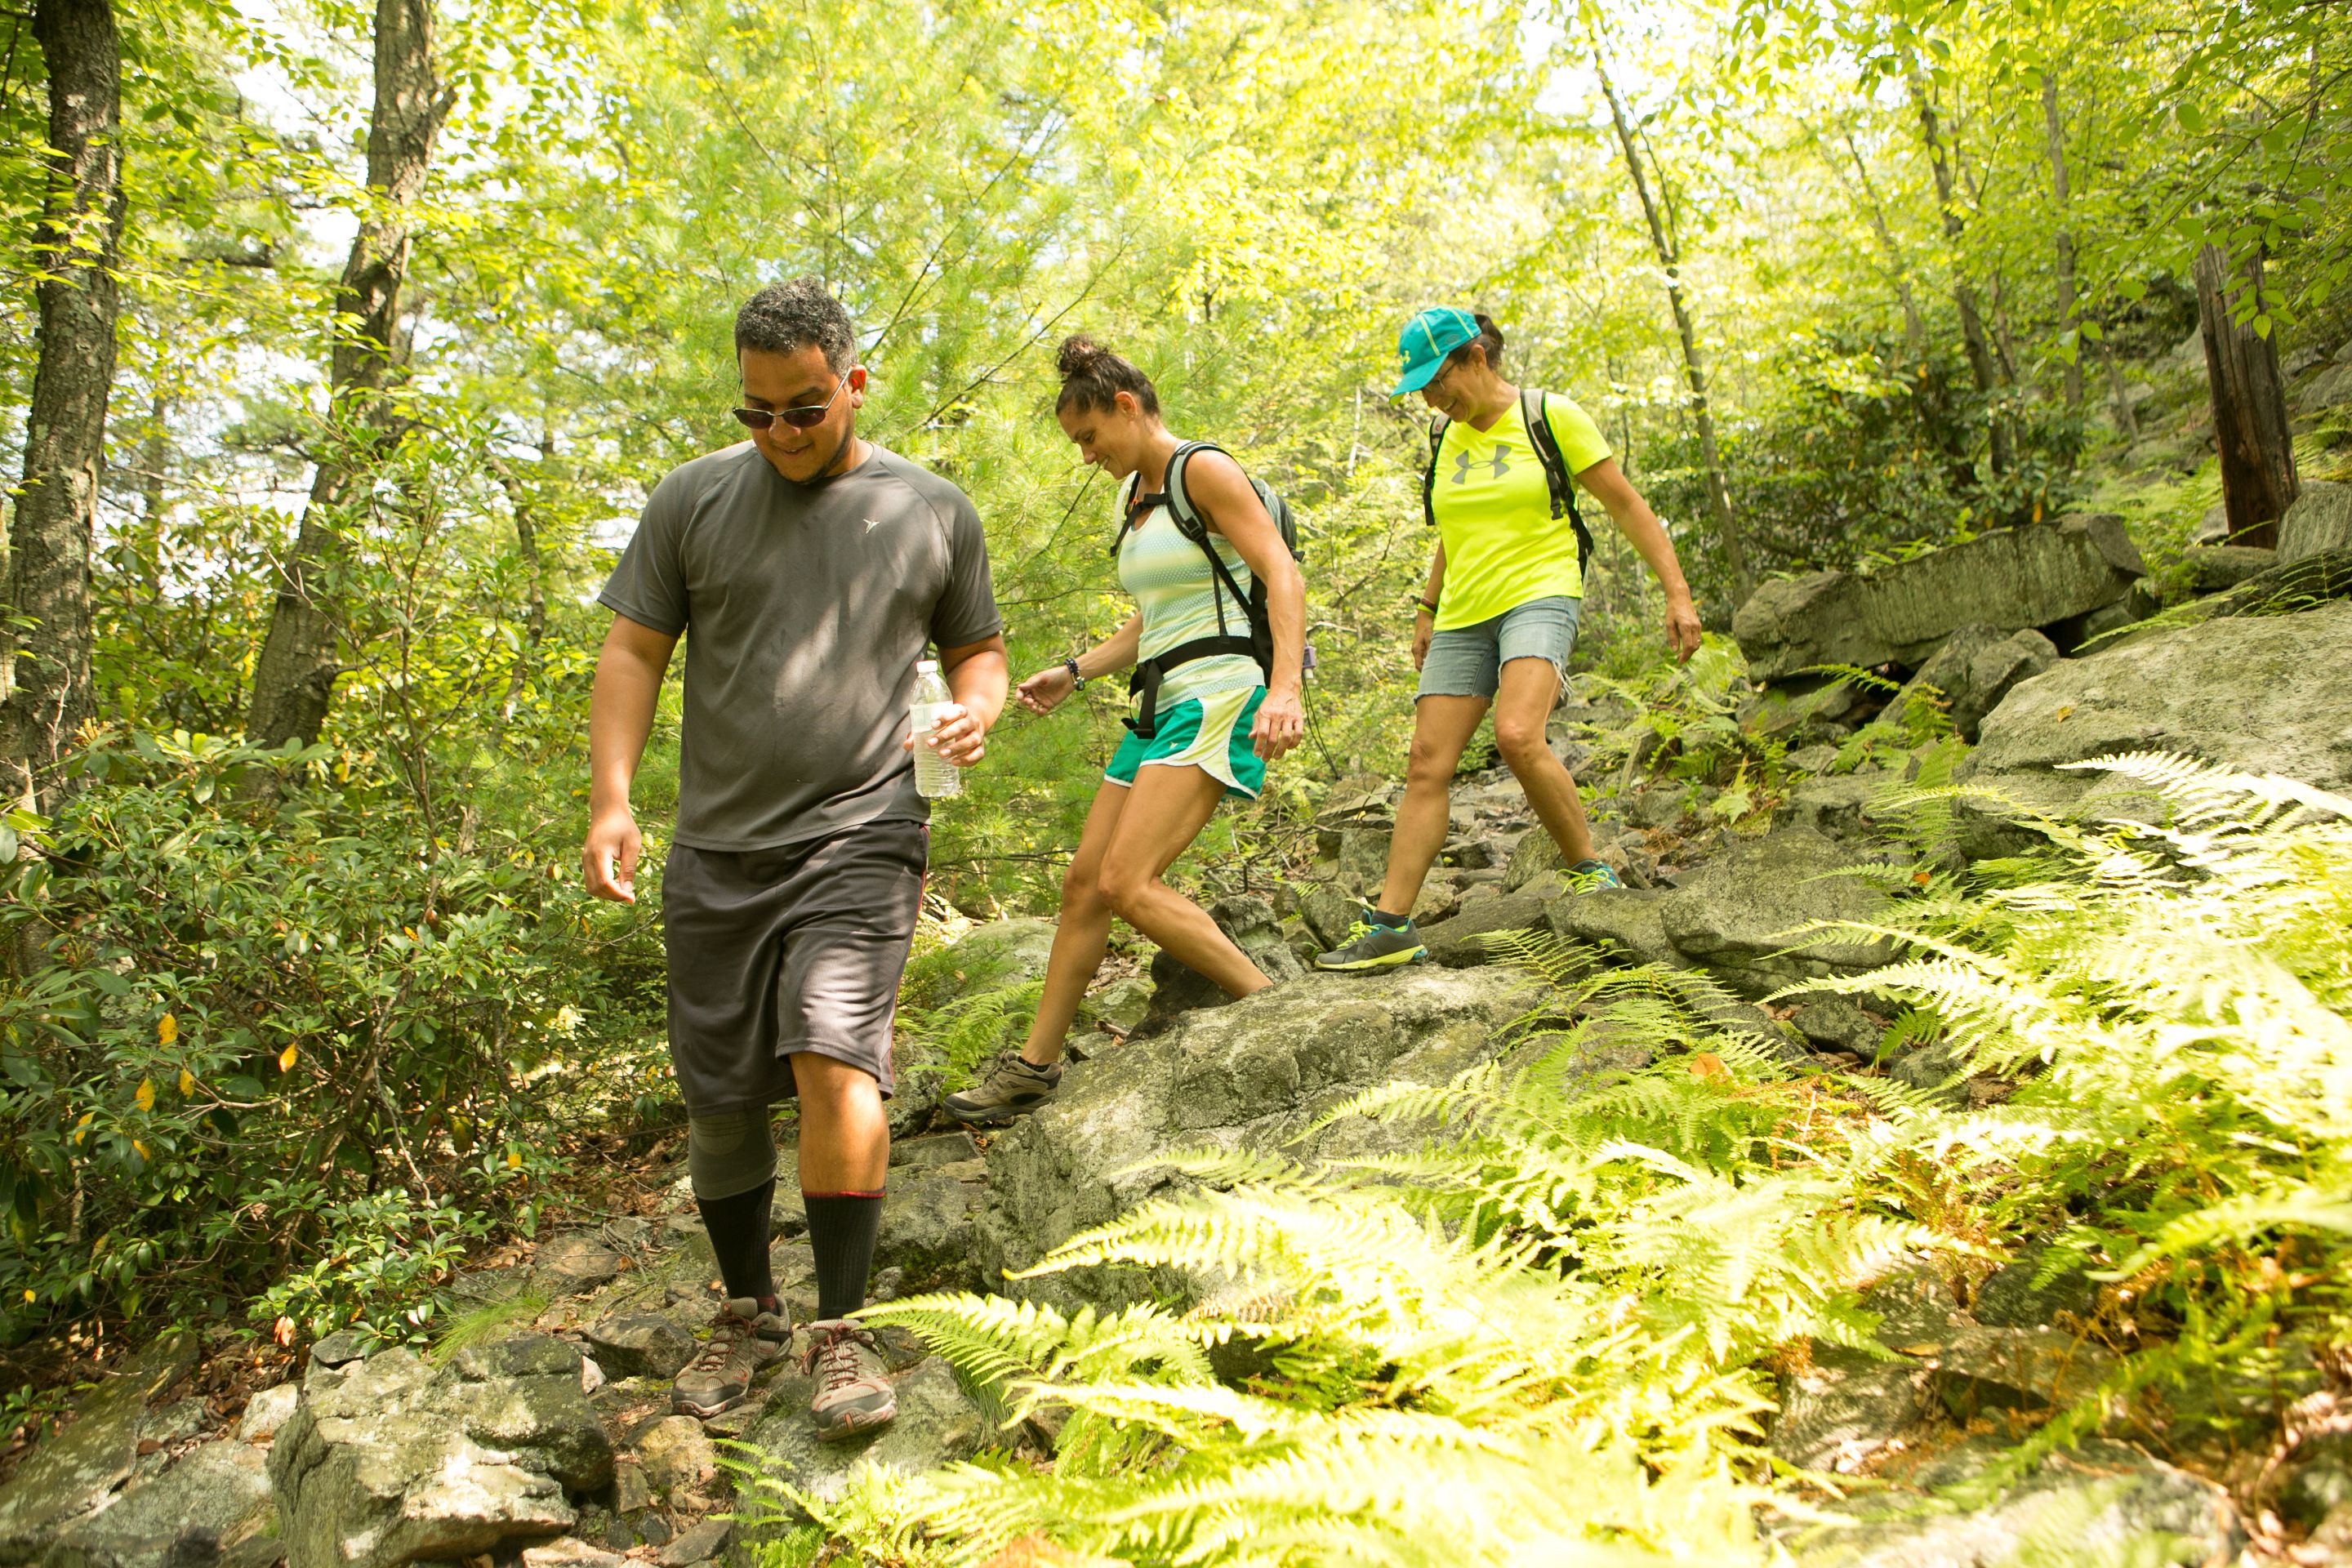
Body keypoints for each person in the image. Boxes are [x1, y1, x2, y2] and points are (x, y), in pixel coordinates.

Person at [582, 278, 1009, 1439]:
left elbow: (980, 653)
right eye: (755, 413)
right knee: (719, 1100)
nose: (778, 433)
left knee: (835, 1056)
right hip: (718, 846)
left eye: (804, 410)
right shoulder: (691, 504)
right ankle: (749, 1309)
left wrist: (979, 710)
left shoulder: (930, 509)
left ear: (852, 384)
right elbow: (632, 654)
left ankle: (840, 1327)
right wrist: (611, 802)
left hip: (865, 829)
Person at [940, 336, 1306, 1128]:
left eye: (1088, 437)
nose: (1085, 456)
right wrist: (1076, 671)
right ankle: (1034, 1069)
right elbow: (1158, 617)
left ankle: (1280, 1017)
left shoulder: (1201, 471)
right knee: (1085, 882)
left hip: (1220, 693)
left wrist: (1285, 688)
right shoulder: (1134, 500)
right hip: (1158, 702)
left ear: (1127, 407)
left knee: (1127, 884)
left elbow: (1280, 571)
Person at [1315, 307, 1701, 973]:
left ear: (1474, 360)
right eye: (1424, 392)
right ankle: (1391, 926)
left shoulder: (1550, 416)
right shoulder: (1447, 438)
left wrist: (1677, 592)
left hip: (1540, 592)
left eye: (1437, 383)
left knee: (1518, 733)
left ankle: (1590, 870)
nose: (1432, 401)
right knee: (1425, 764)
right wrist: (1427, 608)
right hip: (1465, 611)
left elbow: (1627, 505)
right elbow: (1453, 530)